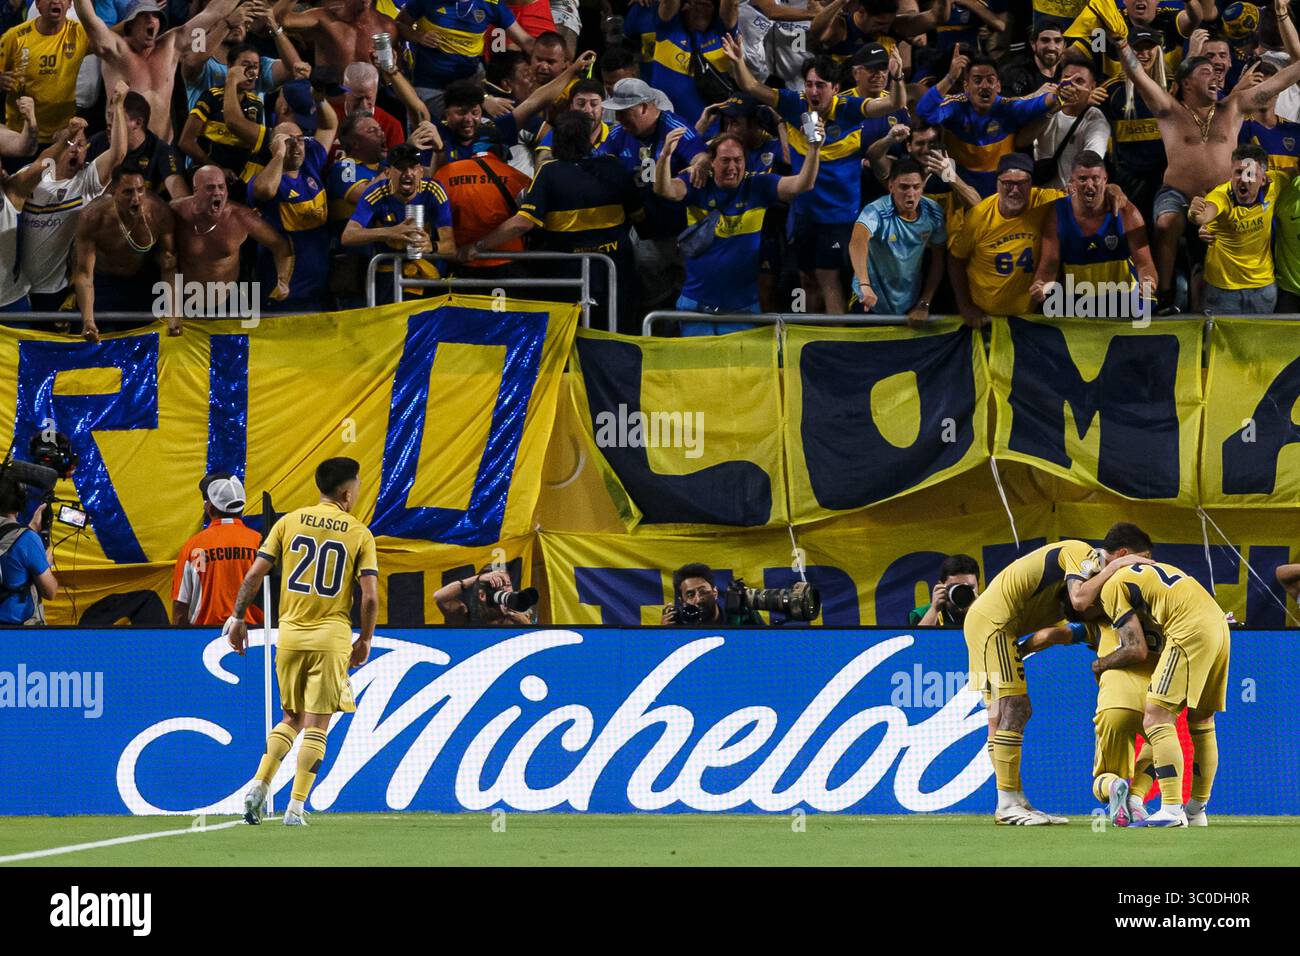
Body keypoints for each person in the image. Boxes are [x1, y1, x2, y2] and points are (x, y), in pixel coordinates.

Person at [225, 456, 379, 827]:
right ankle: (295, 808)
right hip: (331, 637)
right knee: (317, 725)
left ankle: (259, 786)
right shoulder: (359, 533)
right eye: (357, 484)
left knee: (290, 717)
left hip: (290, 635)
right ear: (346, 491)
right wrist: (365, 639)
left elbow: (254, 575)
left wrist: (238, 616)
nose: (358, 490)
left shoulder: (288, 522)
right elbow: (371, 598)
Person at [961, 529, 1151, 825]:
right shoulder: (1082, 552)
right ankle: (1007, 803)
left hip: (998, 630)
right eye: (1143, 560)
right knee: (1016, 708)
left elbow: (1050, 634)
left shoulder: (1093, 585)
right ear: (1124, 555)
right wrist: (1113, 568)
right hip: (995, 625)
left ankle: (1014, 800)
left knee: (998, 716)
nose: (1143, 567)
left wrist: (1018, 652)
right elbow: (1077, 599)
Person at [1111, 29, 1300, 312]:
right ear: (1186, 82)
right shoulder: (1169, 109)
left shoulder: (1232, 107)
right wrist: (1123, 44)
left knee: (1208, 262)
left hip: (1223, 197)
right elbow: (1139, 77)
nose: (1216, 77)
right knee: (1166, 223)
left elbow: (1279, 82)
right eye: (1206, 72)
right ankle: (1163, 297)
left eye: (1216, 72)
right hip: (1176, 193)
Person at [720, 36, 905, 313]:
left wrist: (899, 76)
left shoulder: (849, 109)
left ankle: (834, 345)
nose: (813, 91)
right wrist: (737, 63)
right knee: (807, 279)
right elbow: (751, 86)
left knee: (828, 279)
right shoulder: (795, 104)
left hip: (838, 216)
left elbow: (893, 105)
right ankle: (808, 335)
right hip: (804, 213)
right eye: (809, 84)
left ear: (835, 88)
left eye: (820, 85)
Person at [466, 111, 638, 330]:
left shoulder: (549, 172)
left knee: (568, 338)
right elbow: (638, 215)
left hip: (567, 278)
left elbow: (523, 223)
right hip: (615, 274)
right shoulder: (613, 167)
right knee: (617, 337)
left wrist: (478, 246)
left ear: (557, 140)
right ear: (588, 138)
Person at [1100, 558, 1232, 827]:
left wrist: (1099, 664)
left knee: (1157, 717)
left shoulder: (1111, 584)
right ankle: (1197, 810)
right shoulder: (1157, 570)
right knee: (1202, 722)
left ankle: (1171, 809)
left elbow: (1135, 646)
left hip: (1188, 628)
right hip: (1219, 624)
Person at [653, 121, 820, 332]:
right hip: (696, 306)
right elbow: (664, 190)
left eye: (737, 160)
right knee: (698, 367)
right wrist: (665, 155)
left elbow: (803, 184)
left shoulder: (759, 186)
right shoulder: (697, 182)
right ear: (711, 162)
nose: (732, 167)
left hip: (743, 309)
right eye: (724, 161)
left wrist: (814, 149)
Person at [20, 89, 128, 313]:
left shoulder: (85, 181)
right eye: (70, 142)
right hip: (16, 288)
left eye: (81, 145)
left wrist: (118, 105)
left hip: (53, 290)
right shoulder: (31, 176)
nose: (76, 150)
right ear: (56, 145)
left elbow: (117, 153)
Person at [72, 0, 242, 141]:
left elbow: (213, 13)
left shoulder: (171, 45)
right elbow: (89, 19)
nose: (151, 21)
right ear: (130, 24)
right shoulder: (115, 50)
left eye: (155, 16)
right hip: (122, 151)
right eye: (144, 16)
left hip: (162, 153)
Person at [917, 45, 1059, 198]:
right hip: (957, 189)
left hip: (998, 193)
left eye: (990, 80)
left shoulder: (1008, 108)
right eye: (977, 80)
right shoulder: (955, 106)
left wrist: (1059, 94)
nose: (984, 86)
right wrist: (950, 77)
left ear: (998, 86)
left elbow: (1037, 103)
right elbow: (924, 112)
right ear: (966, 86)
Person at [1030, 151, 1158, 319]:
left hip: (1124, 300)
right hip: (1078, 302)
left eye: (1095, 178)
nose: (1089, 185)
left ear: (1105, 179)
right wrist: (1041, 288)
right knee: (1049, 310)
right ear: (1072, 182)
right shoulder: (1056, 214)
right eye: (1083, 179)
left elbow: (1145, 264)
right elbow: (1049, 267)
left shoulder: (1128, 212)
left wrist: (1148, 282)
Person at [170, 165, 293, 331]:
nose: (217, 193)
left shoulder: (241, 217)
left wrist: (283, 279)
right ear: (195, 191)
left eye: (221, 187)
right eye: (210, 188)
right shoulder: (176, 212)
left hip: (229, 302)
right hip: (185, 303)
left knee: (231, 354)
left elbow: (280, 245)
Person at [947, 152, 1062, 326]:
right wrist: (965, 306)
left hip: (1029, 316)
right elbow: (955, 259)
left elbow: (1084, 197)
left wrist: (1111, 189)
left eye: (1021, 183)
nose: (1015, 190)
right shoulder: (979, 216)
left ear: (1031, 184)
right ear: (997, 183)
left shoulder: (1044, 201)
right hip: (984, 318)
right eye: (1008, 183)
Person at [71, 166, 178, 342]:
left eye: (140, 190)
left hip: (141, 281)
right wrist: (88, 321)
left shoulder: (159, 213)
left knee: (145, 341)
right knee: (90, 338)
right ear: (113, 191)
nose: (136, 198)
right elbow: (83, 273)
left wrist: (174, 315)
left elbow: (170, 266)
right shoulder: (93, 217)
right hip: (103, 282)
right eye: (128, 192)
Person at [341, 143, 455, 303]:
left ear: (421, 171)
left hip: (428, 274)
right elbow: (348, 236)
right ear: (388, 172)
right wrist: (390, 232)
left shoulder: (433, 191)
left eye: (413, 167)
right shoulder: (377, 193)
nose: (408, 173)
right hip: (389, 276)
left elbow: (450, 247)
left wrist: (431, 246)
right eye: (401, 168)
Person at [397, 0, 535, 121]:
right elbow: (399, 24)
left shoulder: (491, 3)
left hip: (470, 81)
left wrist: (546, 63)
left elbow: (525, 41)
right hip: (429, 85)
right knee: (428, 136)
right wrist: (419, 36)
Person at [848, 157, 947, 323]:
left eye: (916, 187)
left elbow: (939, 260)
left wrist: (924, 303)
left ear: (923, 187)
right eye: (904, 187)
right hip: (868, 299)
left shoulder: (934, 213)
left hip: (909, 302)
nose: (910, 193)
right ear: (891, 186)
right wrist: (865, 285)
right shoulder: (877, 211)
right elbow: (858, 241)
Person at [1189, 143, 1284, 314]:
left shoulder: (1276, 183)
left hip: (1263, 289)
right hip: (1222, 291)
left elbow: (1292, 176)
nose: (1244, 179)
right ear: (1231, 174)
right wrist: (1195, 215)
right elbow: (1204, 214)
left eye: (1251, 174)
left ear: (1264, 178)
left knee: (1260, 340)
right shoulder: (1220, 196)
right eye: (1239, 172)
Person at [250, 123, 333, 312]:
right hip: (282, 292)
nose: (296, 145)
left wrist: (319, 100)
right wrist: (279, 155)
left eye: (300, 139)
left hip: (319, 290)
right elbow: (265, 190)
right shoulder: (263, 179)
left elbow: (328, 126)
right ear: (275, 146)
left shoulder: (310, 169)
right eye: (288, 141)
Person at [171, 473, 263, 627]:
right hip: (254, 635)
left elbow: (180, 606)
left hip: (204, 637)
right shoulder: (261, 542)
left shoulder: (194, 546)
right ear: (241, 506)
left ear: (210, 507)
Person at [1101, 25, 1168, 225]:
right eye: (1138, 48)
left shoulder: (1174, 88)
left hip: (1165, 177)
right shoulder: (1111, 90)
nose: (1144, 54)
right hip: (1128, 179)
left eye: (1150, 47)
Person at [0, 0, 90, 149]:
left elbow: (108, 41)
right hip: (20, 136)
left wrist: (128, 28)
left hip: (61, 136)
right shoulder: (14, 37)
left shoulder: (79, 34)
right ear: (38, 4)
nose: (56, 1)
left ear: (69, 4)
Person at [434, 149, 531, 279]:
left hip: (462, 261)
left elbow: (433, 216)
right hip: (508, 260)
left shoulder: (444, 173)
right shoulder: (518, 177)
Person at [649, 0, 739, 126]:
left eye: (706, 5)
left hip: (707, 133)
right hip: (664, 128)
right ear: (684, 5)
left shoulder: (723, 33)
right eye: (695, 3)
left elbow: (731, 4)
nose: (699, 10)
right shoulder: (668, 28)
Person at [86, 91, 188, 200]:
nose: (109, 123)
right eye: (109, 116)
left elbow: (181, 198)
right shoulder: (98, 142)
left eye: (116, 118)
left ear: (138, 123)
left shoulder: (161, 151)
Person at [1033, 53, 1110, 191]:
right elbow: (1021, 141)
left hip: (1071, 198)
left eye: (1079, 81)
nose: (1072, 86)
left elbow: (1090, 162)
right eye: (1067, 78)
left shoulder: (1096, 120)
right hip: (1040, 197)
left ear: (1092, 88)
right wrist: (1051, 110)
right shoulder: (1046, 107)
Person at [272, 0, 401, 75]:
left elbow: (393, 72)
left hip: (369, 101)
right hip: (328, 99)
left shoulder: (387, 27)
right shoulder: (325, 17)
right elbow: (282, 19)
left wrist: (390, 68)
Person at [0, 477, 57, 625]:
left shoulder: (26, 538)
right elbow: (50, 592)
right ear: (20, 501)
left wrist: (30, 529)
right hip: (17, 631)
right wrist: (46, 564)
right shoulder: (28, 540)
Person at [659, 562, 763, 626]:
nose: (698, 599)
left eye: (703, 591)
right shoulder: (677, 626)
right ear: (682, 601)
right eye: (690, 595)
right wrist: (663, 634)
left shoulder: (741, 616)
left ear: (715, 592)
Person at [433, 565, 536, 625]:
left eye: (507, 584)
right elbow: (439, 597)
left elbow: (536, 641)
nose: (504, 590)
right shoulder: (467, 615)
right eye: (496, 585)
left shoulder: (521, 613)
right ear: (482, 595)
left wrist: (514, 615)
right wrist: (478, 578)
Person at [997, 22, 1065, 98]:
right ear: (1033, 44)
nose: (1051, 47)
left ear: (1064, 46)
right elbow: (1003, 105)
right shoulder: (1015, 73)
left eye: (1058, 41)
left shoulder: (1067, 73)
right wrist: (1034, 97)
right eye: (1045, 40)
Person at [909, 553, 979, 626]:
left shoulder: (987, 612)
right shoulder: (922, 613)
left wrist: (979, 610)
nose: (962, 592)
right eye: (955, 586)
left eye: (970, 587)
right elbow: (920, 637)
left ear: (978, 586)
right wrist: (934, 610)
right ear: (941, 586)